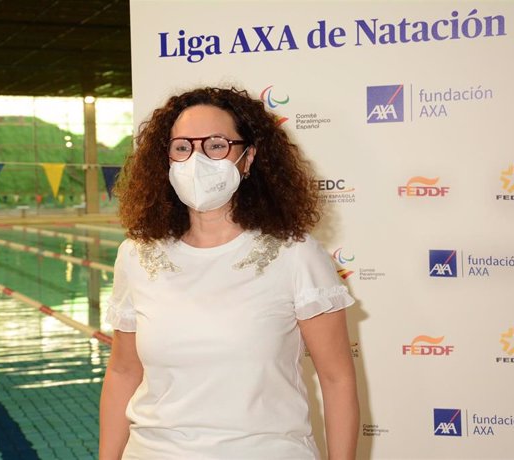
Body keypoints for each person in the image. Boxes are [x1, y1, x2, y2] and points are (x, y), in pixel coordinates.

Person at [99, 87, 359, 460]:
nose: (196, 159)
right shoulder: (137, 256)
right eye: (182, 147)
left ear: (248, 157)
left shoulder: (294, 255)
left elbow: (337, 379)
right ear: (167, 159)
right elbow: (124, 373)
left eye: (216, 145)